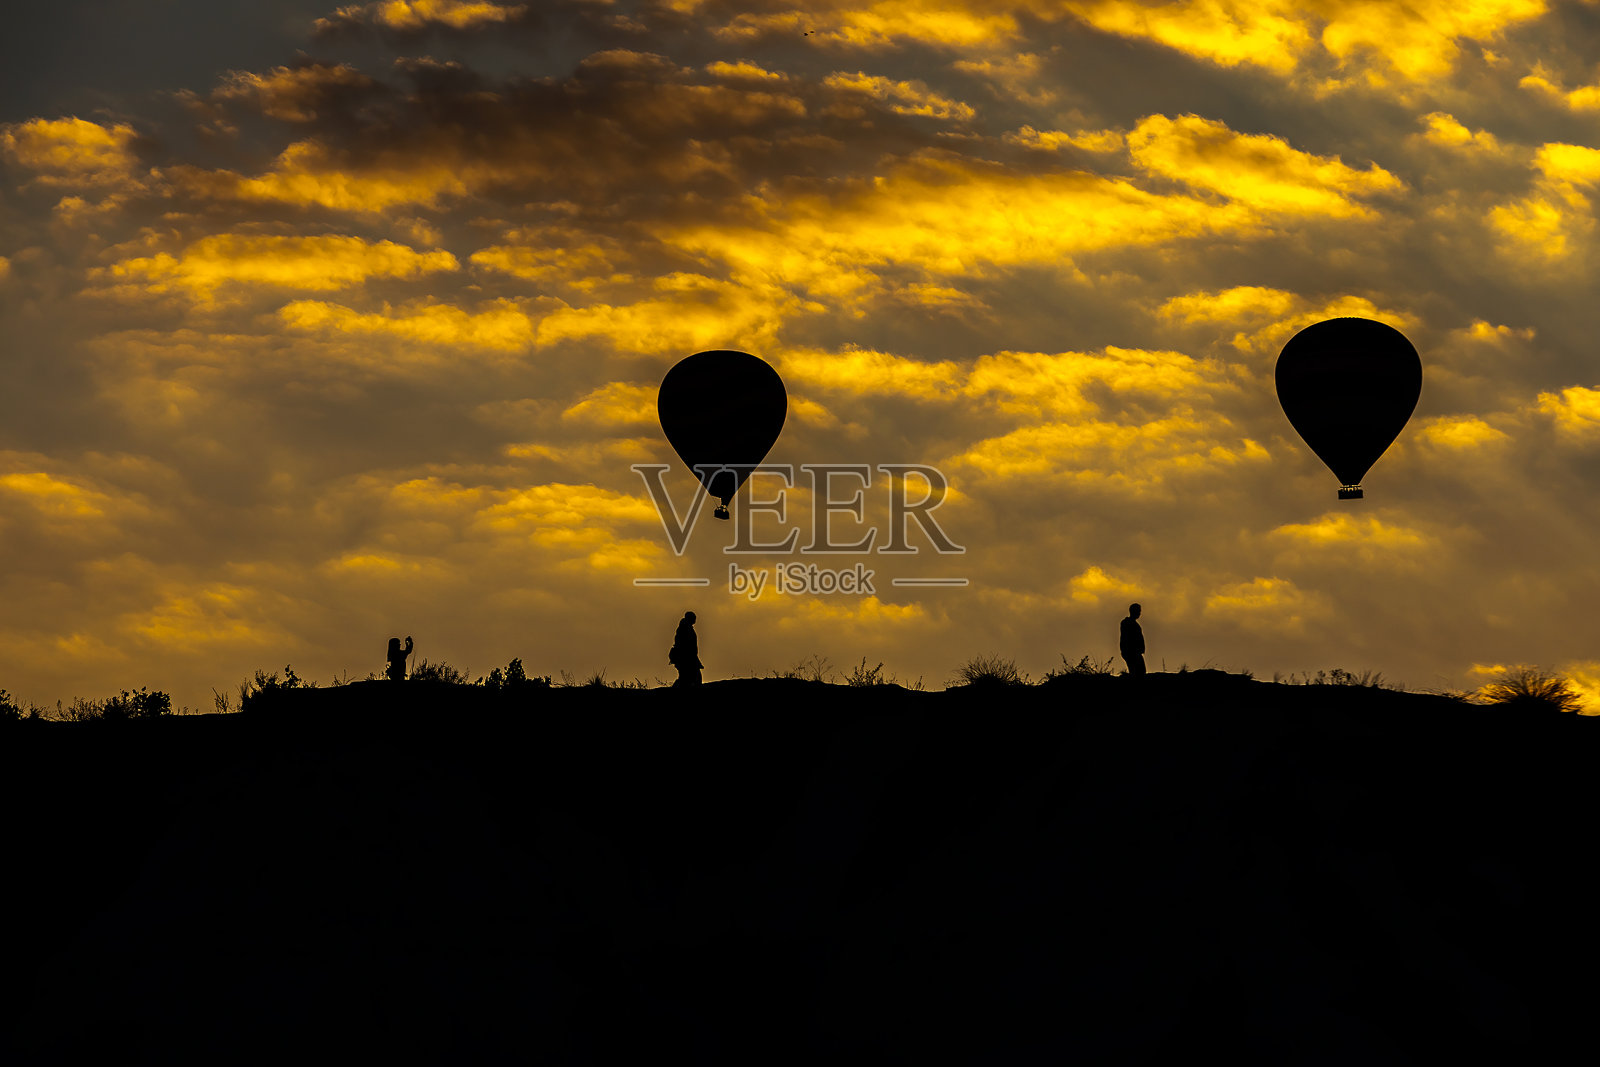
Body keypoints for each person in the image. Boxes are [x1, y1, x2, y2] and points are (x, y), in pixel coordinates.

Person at [669, 611, 702, 687]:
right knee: (687, 679)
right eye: (693, 618)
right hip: (685, 658)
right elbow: (683, 645)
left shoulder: (686, 628)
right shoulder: (684, 629)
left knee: (687, 678)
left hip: (689, 658)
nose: (695, 620)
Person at [1119, 604, 1145, 677]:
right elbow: (1127, 638)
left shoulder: (1131, 623)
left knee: (1139, 672)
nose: (1139, 613)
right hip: (1132, 652)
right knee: (1138, 673)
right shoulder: (1127, 623)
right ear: (1133, 611)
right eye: (1138, 611)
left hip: (1134, 652)